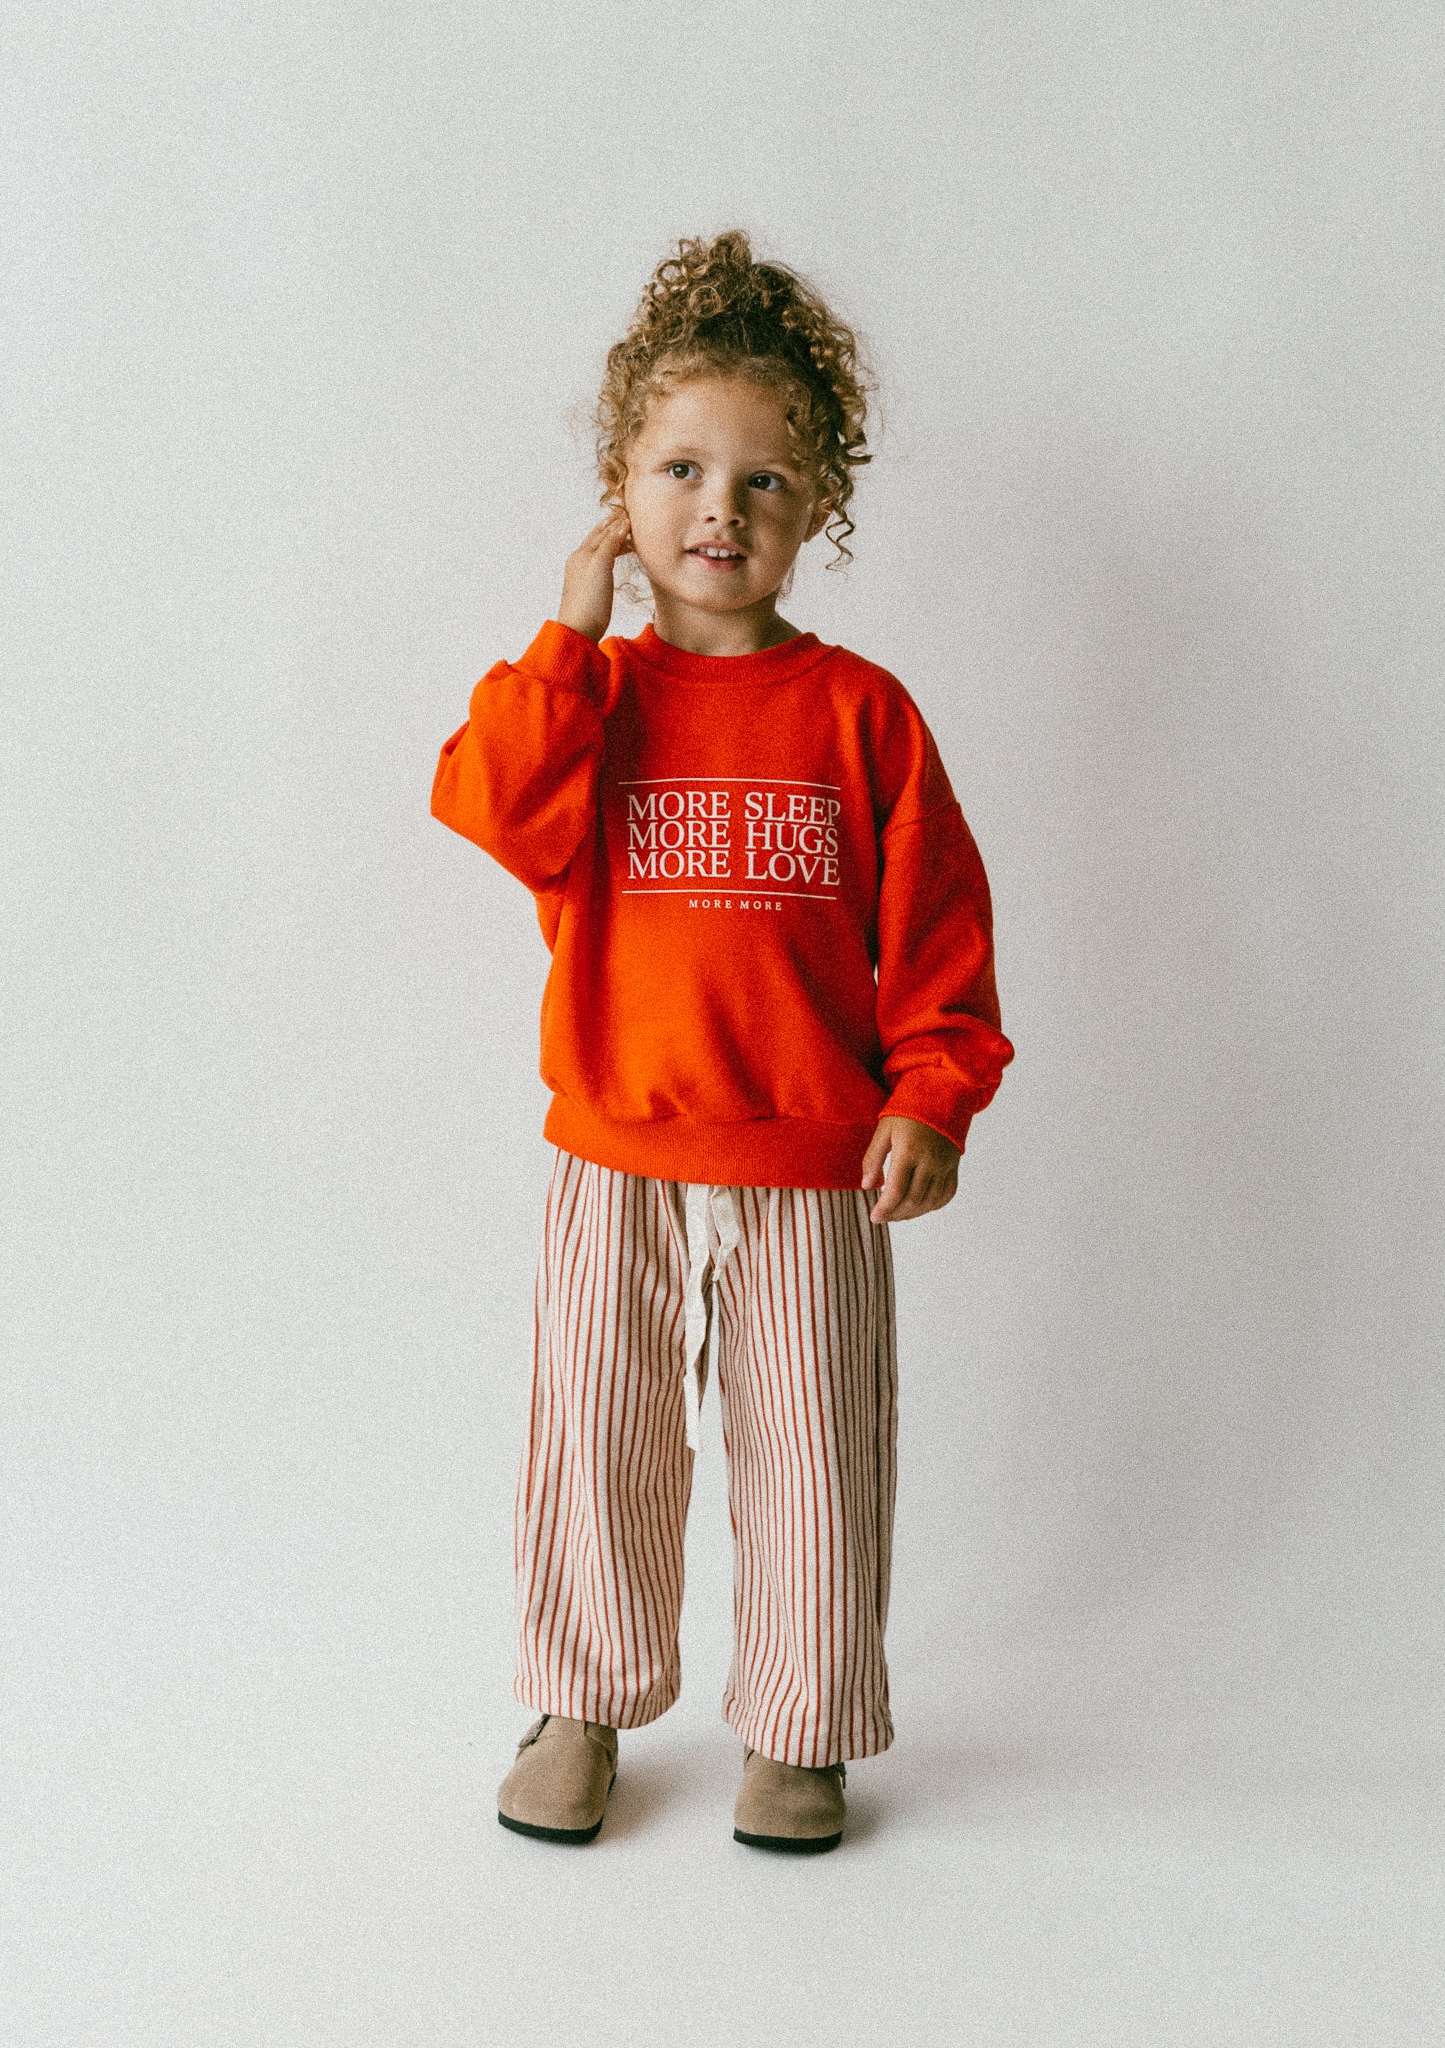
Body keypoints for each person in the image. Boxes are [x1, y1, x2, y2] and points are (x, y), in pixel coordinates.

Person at [430, 229, 1015, 1854]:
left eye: (766, 480)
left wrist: (934, 1095)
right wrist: (566, 635)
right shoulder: (592, 700)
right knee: (598, 1439)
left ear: (819, 504)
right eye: (681, 469)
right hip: (616, 1145)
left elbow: (943, 936)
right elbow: (491, 810)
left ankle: (802, 1730)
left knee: (814, 1454)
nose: (721, 510)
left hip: (814, 1159)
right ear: (620, 491)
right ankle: (581, 1703)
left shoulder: (862, 713)